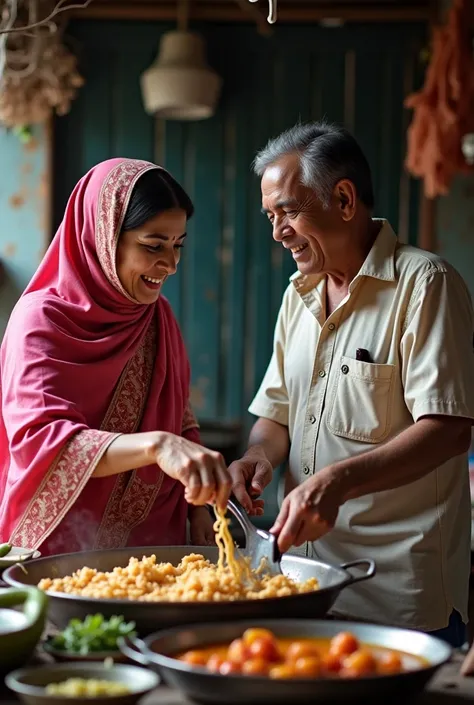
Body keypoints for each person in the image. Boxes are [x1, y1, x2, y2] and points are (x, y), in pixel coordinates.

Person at [229, 122, 474, 646]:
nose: (277, 232)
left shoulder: (425, 285)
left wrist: (336, 481)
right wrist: (258, 457)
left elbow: (449, 429)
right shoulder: (297, 296)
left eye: (289, 212)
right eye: (271, 217)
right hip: (301, 584)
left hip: (396, 598)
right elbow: (276, 416)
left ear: (343, 199)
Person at [0, 158, 232, 556]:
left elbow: (178, 415)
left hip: (156, 554)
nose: (171, 265)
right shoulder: (41, 320)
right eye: (153, 245)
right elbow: (42, 441)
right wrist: (156, 446)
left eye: (178, 246)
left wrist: (199, 509)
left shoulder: (157, 317)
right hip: (56, 556)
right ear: (104, 237)